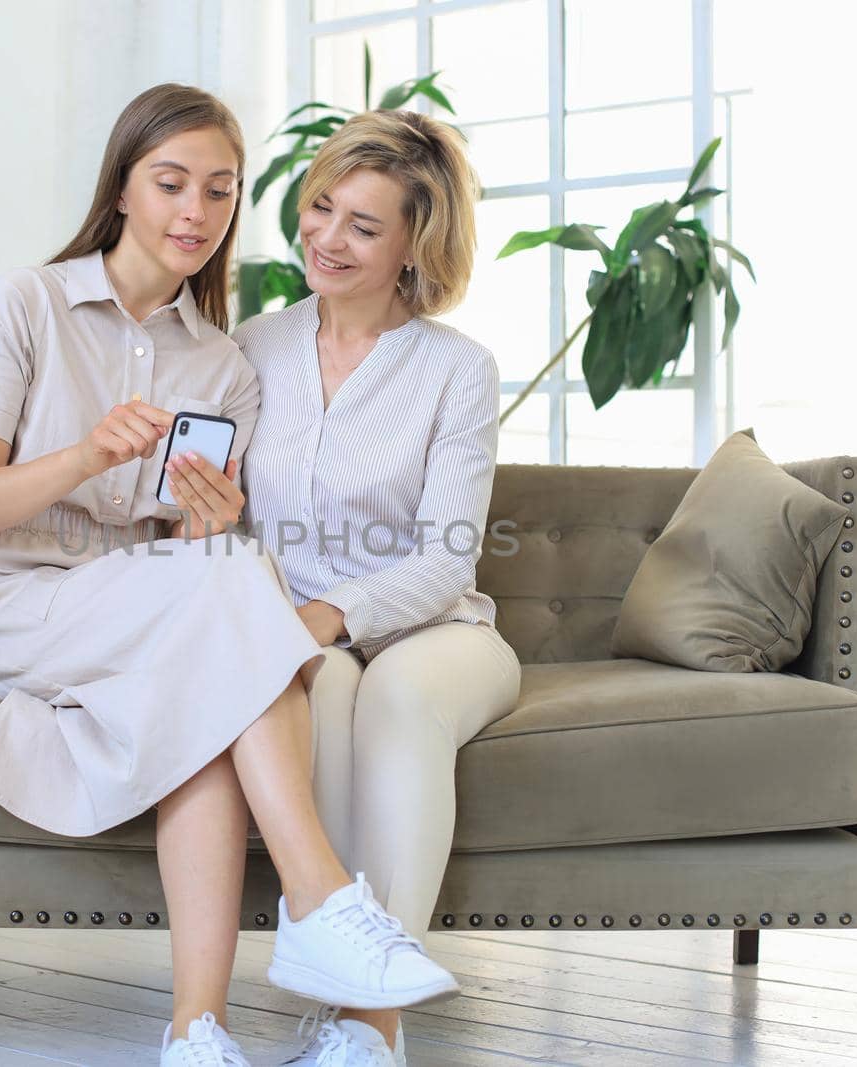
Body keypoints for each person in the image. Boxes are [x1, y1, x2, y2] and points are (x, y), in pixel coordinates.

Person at [0, 84, 460, 1067]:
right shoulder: (29, 304)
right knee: (231, 593)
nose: (195, 212)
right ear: (122, 189)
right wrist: (86, 457)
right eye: (171, 183)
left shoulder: (221, 366)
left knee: (220, 640)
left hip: (137, 611)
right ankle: (319, 902)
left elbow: (185, 548)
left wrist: (207, 518)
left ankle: (195, 1031)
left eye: (219, 191)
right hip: (12, 604)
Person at [237, 109, 523, 1067]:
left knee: (394, 695)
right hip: (303, 633)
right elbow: (219, 512)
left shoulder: (457, 370)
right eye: (322, 208)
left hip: (438, 632)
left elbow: (446, 558)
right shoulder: (253, 348)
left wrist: (331, 613)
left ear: (414, 245)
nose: (327, 238)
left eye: (364, 226)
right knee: (319, 688)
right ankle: (349, 993)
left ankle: (370, 1029)